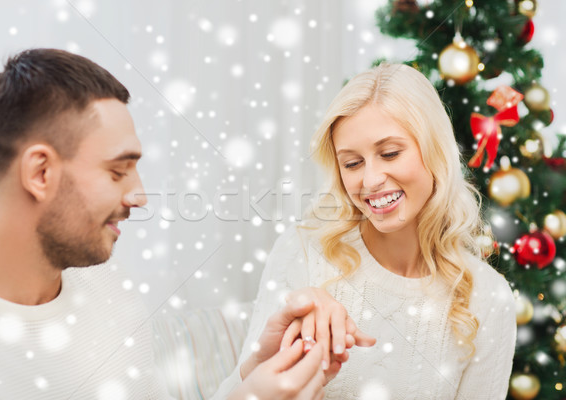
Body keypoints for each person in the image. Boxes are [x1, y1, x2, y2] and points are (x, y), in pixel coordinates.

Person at [0, 48, 364, 399]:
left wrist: (255, 367)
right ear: (40, 173)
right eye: (117, 171)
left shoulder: (103, 282)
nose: (139, 196)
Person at [216, 63, 517, 399]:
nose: (370, 180)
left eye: (389, 154)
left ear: (435, 153)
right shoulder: (302, 253)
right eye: (352, 163)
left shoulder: (488, 298)